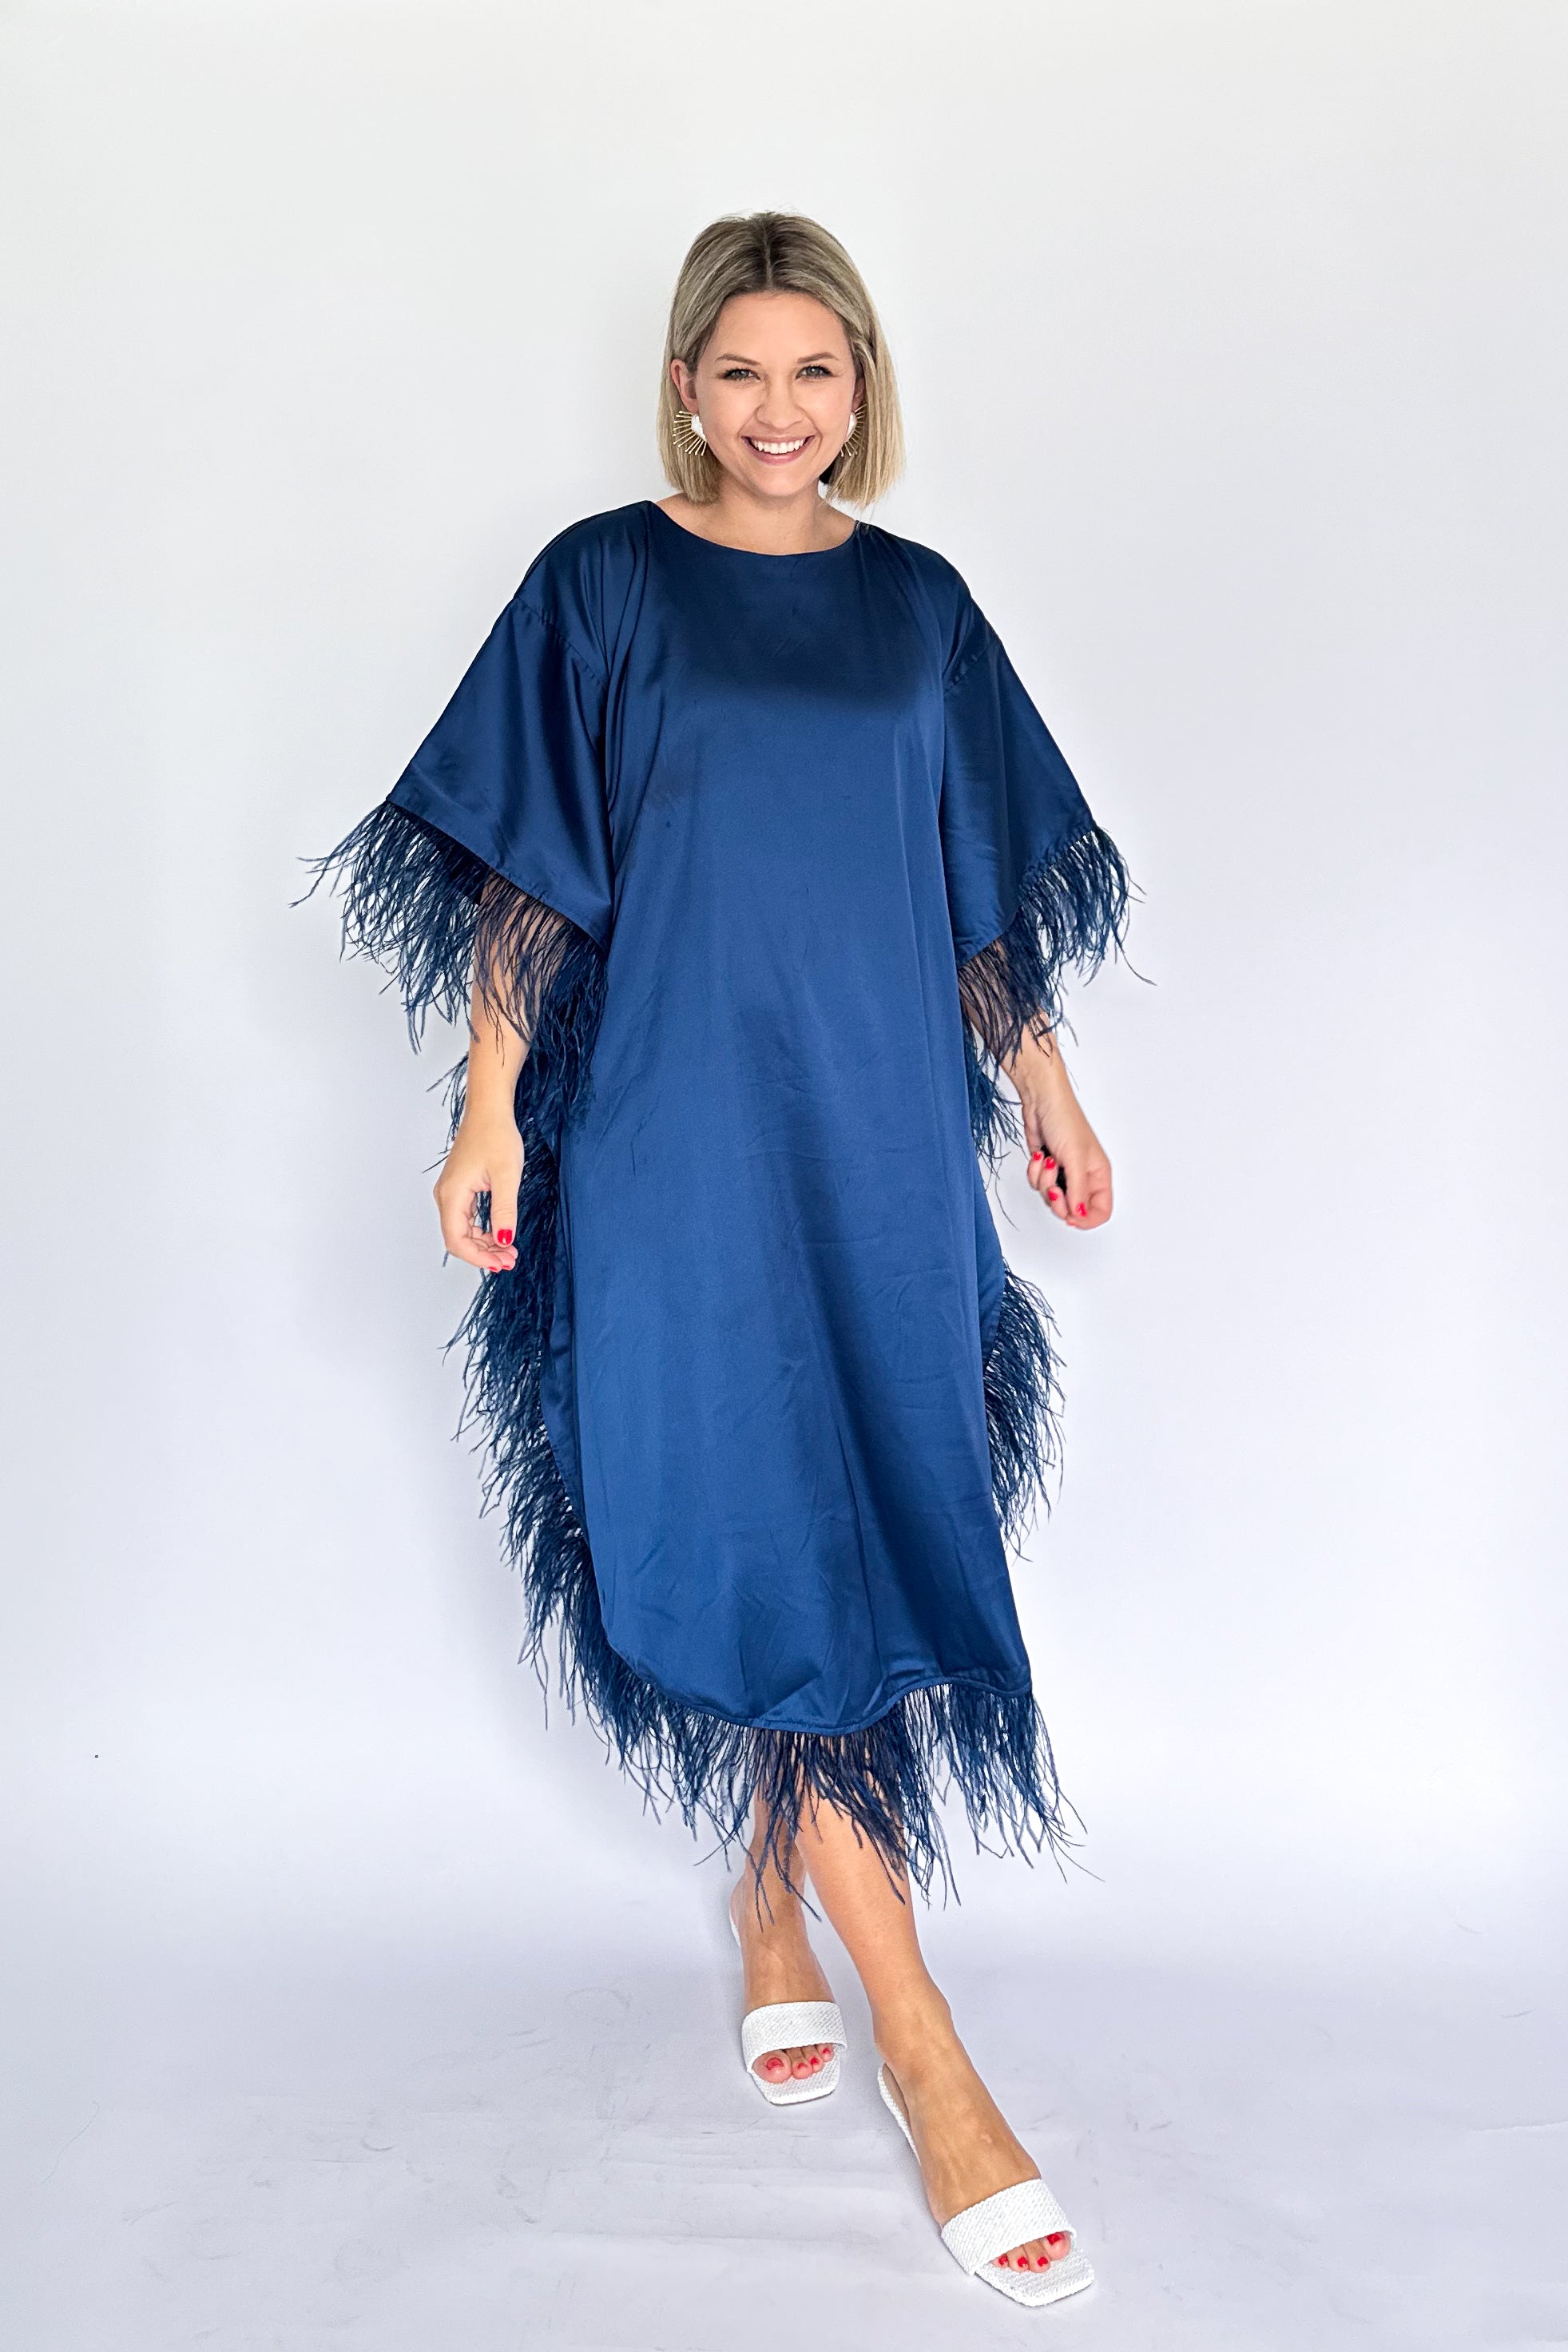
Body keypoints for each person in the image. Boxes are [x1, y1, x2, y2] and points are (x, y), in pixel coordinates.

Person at [315, 210, 1129, 2308]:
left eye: (816, 371)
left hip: (878, 1139)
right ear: (684, 382)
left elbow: (968, 879)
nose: (780, 410)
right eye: (742, 370)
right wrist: (489, 1108)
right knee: (748, 1517)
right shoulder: (602, 584)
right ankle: (928, 2051)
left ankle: (776, 1896)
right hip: (677, 1132)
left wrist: (1043, 1084)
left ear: (863, 387)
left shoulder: (919, 608)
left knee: (864, 1508)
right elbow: (531, 873)